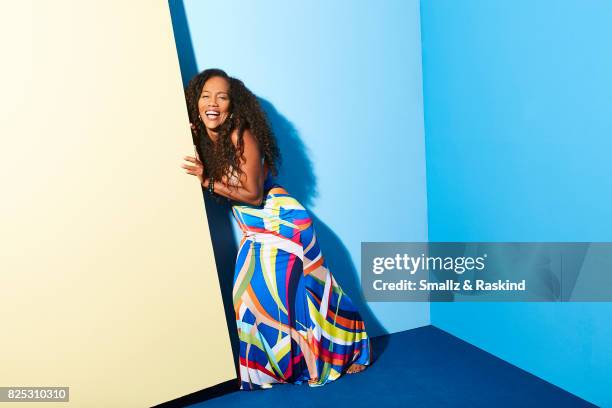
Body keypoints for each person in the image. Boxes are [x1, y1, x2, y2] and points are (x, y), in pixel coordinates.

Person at [181, 68, 371, 391]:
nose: (213, 103)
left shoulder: (242, 135)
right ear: (195, 102)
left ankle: (352, 351)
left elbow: (254, 194)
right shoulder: (207, 137)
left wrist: (207, 179)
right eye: (205, 96)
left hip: (283, 224)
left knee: (308, 295)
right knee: (251, 300)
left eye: (222, 97)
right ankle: (274, 370)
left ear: (233, 105)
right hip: (255, 230)